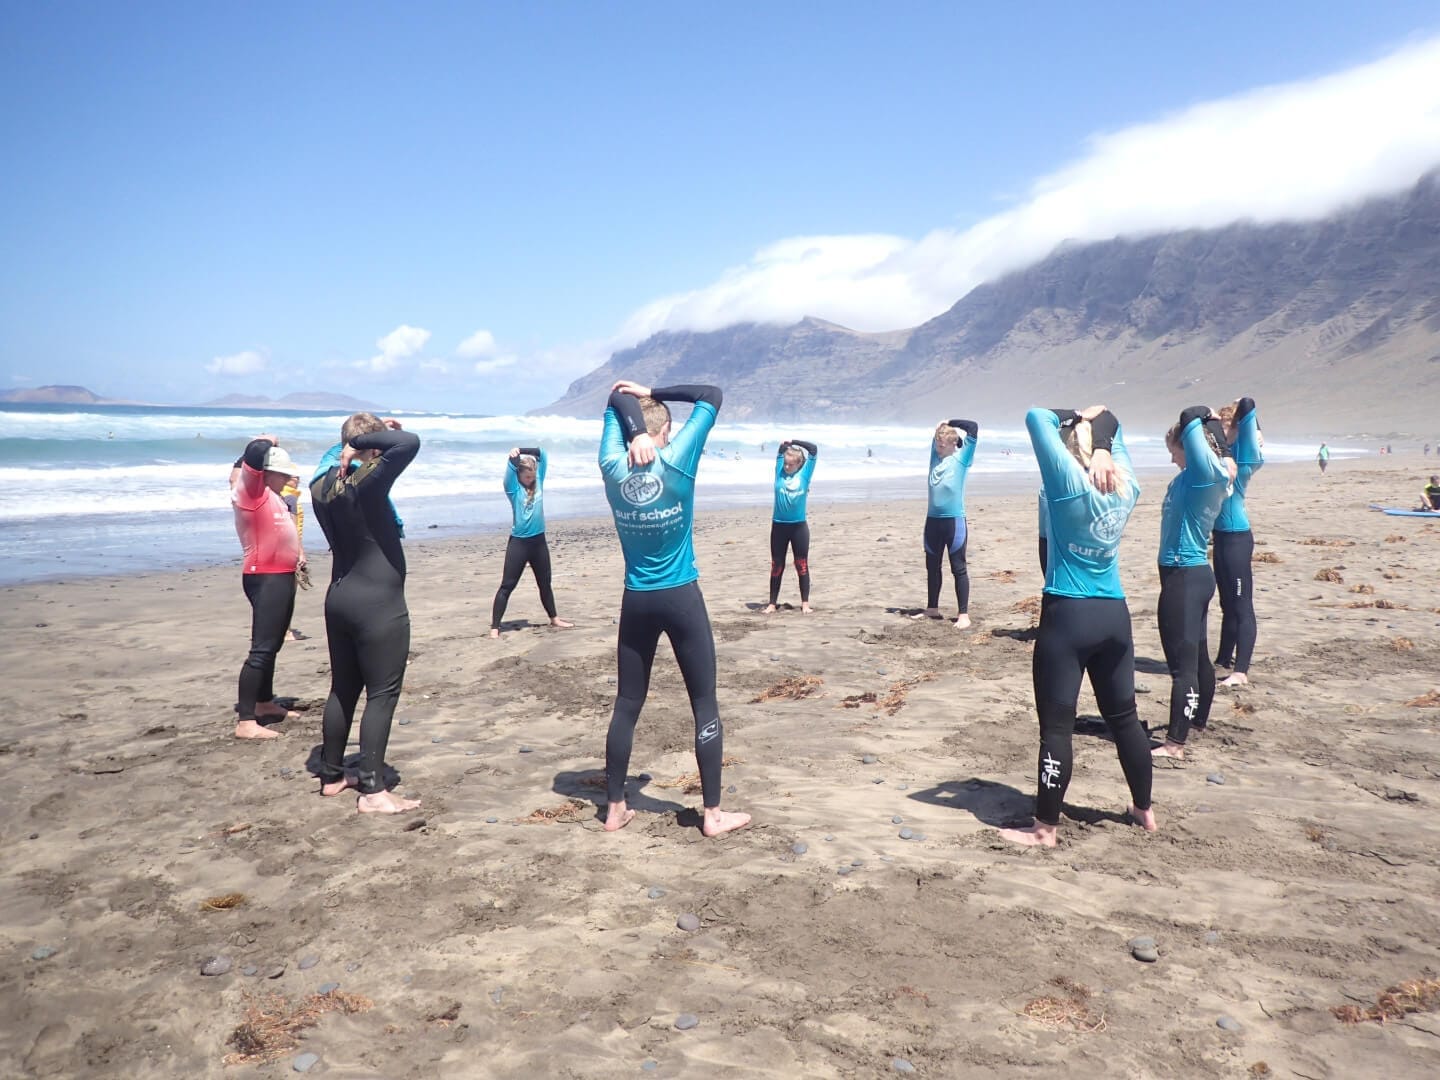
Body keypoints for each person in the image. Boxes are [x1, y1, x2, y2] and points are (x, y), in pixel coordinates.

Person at [597, 379, 750, 837]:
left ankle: (614, 808)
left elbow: (613, 399)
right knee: (703, 702)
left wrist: (632, 425)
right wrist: (653, 390)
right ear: (665, 433)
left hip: (636, 599)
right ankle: (713, 815)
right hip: (681, 595)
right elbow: (713, 394)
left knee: (627, 703)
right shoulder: (678, 461)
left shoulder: (611, 465)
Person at [1000, 406, 1155, 846]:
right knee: (1125, 720)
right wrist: (1103, 442)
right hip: (1114, 617)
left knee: (1056, 727)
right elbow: (1114, 420)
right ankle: (1144, 809)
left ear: (1068, 452)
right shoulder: (1127, 486)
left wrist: (1072, 415)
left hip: (1067, 616)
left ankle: (1045, 828)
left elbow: (1034, 416)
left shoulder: (1064, 484)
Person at [308, 413, 422, 813]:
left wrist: (359, 440)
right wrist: (377, 439)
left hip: (339, 598)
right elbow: (409, 443)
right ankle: (373, 791)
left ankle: (332, 774)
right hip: (379, 604)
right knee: (382, 694)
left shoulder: (322, 484)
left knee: (343, 688)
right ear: (368, 449)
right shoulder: (368, 485)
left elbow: (339, 454)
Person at [1153, 407, 1236, 759]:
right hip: (1193, 574)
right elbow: (1215, 448)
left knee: (1181, 666)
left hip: (1184, 575)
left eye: (1174, 452)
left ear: (1189, 447)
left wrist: (1204, 415)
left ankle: (1175, 743)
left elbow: (1189, 418)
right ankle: (1197, 721)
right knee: (1199, 655)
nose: (1172, 460)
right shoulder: (1208, 472)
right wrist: (1214, 428)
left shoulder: (1204, 474)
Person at [230, 435, 307, 740]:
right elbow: (253, 454)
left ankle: (264, 703)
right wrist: (264, 441)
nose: (289, 477)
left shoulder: (274, 495)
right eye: (284, 472)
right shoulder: (251, 493)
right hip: (265, 576)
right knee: (262, 648)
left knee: (273, 643)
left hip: (283, 575)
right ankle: (246, 721)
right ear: (267, 472)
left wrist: (298, 555)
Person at [490, 447, 574, 638]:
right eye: (527, 477)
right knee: (507, 585)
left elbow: (543, 453)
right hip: (519, 544)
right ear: (519, 476)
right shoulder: (513, 488)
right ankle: (495, 627)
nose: (531, 479)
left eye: (533, 476)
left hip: (538, 542)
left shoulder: (539, 482)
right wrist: (513, 454)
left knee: (545, 583)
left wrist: (524, 449)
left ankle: (554, 618)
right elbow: (511, 468)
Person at [1212, 398, 1264, 688]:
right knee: (1226, 603)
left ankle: (1241, 671)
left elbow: (1248, 403)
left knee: (1241, 605)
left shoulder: (1243, 456)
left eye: (1224, 427)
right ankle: (1222, 659)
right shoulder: (1225, 455)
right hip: (1220, 537)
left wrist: (1238, 407)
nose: (1220, 433)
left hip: (1236, 537)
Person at [917, 417, 979, 627]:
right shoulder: (935, 457)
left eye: (943, 444)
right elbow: (937, 435)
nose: (939, 447)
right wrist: (940, 428)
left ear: (954, 444)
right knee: (932, 567)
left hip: (954, 522)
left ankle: (963, 615)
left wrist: (951, 421)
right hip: (932, 522)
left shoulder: (962, 459)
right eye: (937, 443)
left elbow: (973, 428)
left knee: (958, 568)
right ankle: (932, 608)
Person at [764, 438, 818, 614]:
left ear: (798, 464)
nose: (786, 467)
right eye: (786, 464)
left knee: (801, 564)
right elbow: (780, 450)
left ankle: (805, 603)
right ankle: (772, 603)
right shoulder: (778, 471)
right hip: (779, 526)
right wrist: (786, 445)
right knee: (777, 565)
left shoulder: (805, 475)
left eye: (790, 465)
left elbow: (814, 450)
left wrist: (795, 441)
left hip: (798, 528)